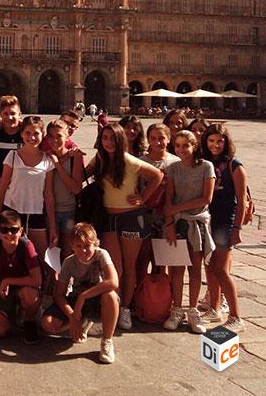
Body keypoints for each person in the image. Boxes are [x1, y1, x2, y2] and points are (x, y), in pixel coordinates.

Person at [84, 123, 163, 332]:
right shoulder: (100, 159)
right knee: (114, 268)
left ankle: (125, 309)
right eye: (105, 138)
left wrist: (143, 198)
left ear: (120, 140)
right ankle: (112, 307)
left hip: (130, 217)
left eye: (112, 138)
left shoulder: (128, 161)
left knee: (129, 267)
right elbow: (82, 174)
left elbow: (157, 176)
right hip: (108, 219)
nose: (108, 142)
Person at [41, 222, 119, 364]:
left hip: (96, 299)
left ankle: (107, 341)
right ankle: (80, 323)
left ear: (96, 244)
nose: (83, 251)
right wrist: (72, 316)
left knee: (111, 296)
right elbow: (58, 294)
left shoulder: (102, 254)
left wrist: (83, 297)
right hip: (76, 300)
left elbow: (113, 282)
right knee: (48, 324)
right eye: (78, 246)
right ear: (72, 246)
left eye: (87, 246)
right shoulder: (69, 262)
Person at [163, 130, 215, 334]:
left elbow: (206, 198)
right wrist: (169, 223)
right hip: (179, 223)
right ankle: (177, 309)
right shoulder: (173, 168)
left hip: (197, 222)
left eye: (186, 145)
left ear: (194, 146)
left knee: (195, 268)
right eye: (177, 145)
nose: (181, 149)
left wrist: (176, 210)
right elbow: (169, 198)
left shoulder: (205, 166)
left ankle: (193, 310)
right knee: (176, 268)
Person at [199, 123, 246, 332]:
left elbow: (242, 200)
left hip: (225, 222)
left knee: (221, 269)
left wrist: (236, 229)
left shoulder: (235, 165)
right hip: (208, 219)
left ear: (226, 142)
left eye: (220, 141)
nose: (215, 145)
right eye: (211, 141)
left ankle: (236, 316)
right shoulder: (206, 162)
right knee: (209, 266)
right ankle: (214, 308)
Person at [0, 116, 56, 259]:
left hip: (36, 213)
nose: (32, 137)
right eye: (27, 133)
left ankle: (41, 282)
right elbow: (2, 190)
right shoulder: (13, 156)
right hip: (12, 212)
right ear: (21, 134)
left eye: (36, 133)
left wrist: (52, 227)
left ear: (42, 135)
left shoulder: (47, 160)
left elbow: (48, 194)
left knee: (42, 257)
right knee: (10, 257)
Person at [0, 209, 43, 344]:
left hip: (23, 287)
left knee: (30, 294)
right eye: (4, 230)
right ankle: (11, 315)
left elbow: (37, 279)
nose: (9, 234)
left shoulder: (26, 246)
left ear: (20, 231)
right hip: (2, 292)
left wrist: (8, 281)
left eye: (14, 230)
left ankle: (29, 321)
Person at [135, 123, 179, 279]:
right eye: (153, 138)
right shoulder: (140, 162)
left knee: (160, 260)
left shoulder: (175, 163)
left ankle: (158, 295)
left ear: (169, 139)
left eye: (162, 138)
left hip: (165, 217)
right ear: (148, 139)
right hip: (144, 215)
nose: (157, 142)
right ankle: (140, 293)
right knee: (142, 257)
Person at [46, 120, 85, 259]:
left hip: (70, 212)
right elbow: (48, 193)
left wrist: (57, 164)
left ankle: (64, 281)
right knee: (53, 254)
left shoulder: (75, 157)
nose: (54, 140)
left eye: (59, 136)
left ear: (67, 136)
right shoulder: (46, 157)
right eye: (50, 136)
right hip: (50, 212)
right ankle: (53, 281)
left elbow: (75, 189)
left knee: (68, 255)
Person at [0, 95, 23, 189]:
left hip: (21, 184)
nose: (9, 117)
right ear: (0, 114)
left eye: (13, 113)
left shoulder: (27, 134)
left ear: (19, 114)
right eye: (5, 113)